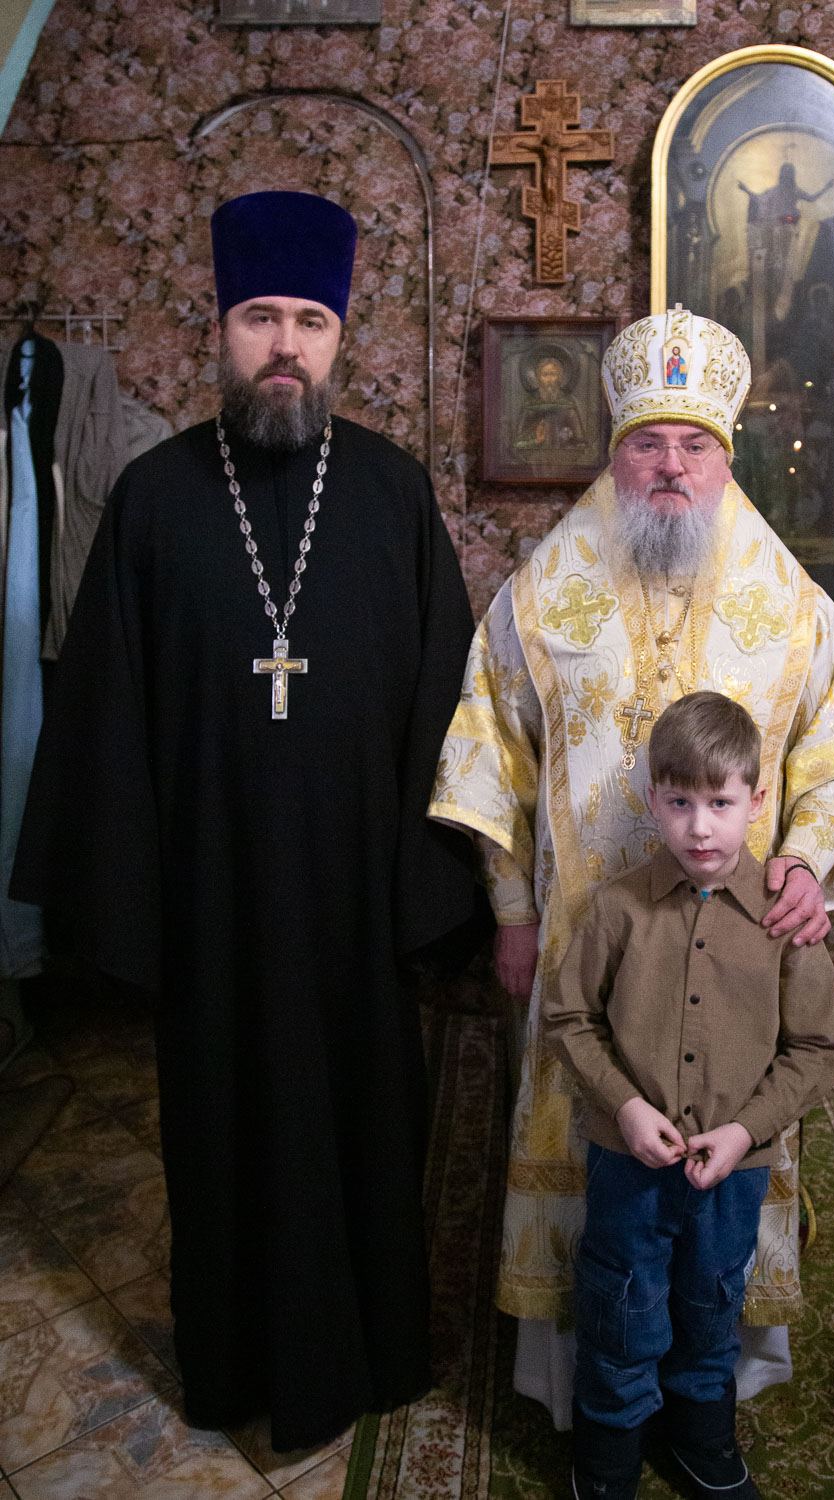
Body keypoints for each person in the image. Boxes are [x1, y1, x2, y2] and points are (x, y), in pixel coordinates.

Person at [11, 190, 477, 1452]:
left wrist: (423, 896)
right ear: (218, 329)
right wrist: (134, 911)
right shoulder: (154, 499)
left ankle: (373, 1352)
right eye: (259, 317)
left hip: (353, 909)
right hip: (211, 904)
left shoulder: (390, 491)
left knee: (366, 1130)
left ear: (340, 338)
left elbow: (446, 707)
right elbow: (106, 717)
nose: (284, 345)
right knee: (221, 1140)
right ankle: (231, 1366)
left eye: (309, 322)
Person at [429, 306, 834, 1429]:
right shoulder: (541, 596)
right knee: (598, 1163)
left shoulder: (791, 604)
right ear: (615, 451)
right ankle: (583, 1386)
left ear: (726, 459)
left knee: (723, 1166)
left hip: (738, 951)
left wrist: (804, 860)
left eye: (694, 445)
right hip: (588, 945)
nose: (671, 465)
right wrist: (512, 911)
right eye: (648, 443)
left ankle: (707, 1383)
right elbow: (489, 751)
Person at [546, 691, 834, 1500]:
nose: (700, 827)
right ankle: (607, 1456)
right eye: (679, 803)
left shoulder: (787, 924)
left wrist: (745, 1131)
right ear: (652, 800)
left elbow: (821, 1047)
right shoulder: (616, 909)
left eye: (720, 803)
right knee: (619, 1305)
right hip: (627, 1161)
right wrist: (626, 1106)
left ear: (758, 801)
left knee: (714, 1303)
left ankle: (701, 1437)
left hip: (734, 1171)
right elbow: (569, 1018)